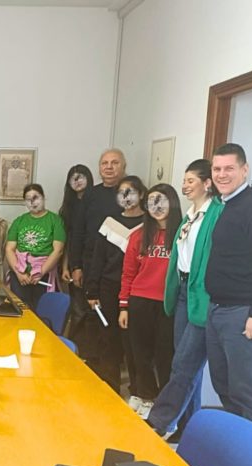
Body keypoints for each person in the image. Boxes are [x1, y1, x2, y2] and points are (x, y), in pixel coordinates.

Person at [147, 160, 223, 438]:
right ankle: (189, 427)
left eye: (191, 181)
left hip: (202, 294)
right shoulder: (190, 216)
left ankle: (160, 421)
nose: (185, 186)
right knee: (187, 363)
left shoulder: (217, 213)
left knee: (184, 363)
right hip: (182, 290)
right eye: (184, 180)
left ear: (207, 184)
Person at [205, 143, 252, 427]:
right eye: (217, 169)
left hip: (243, 314)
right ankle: (236, 447)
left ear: (244, 170)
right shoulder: (228, 205)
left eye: (229, 168)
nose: (222, 174)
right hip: (218, 310)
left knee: (250, 394)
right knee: (225, 386)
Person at [119, 183, 181, 418]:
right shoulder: (139, 235)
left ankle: (162, 403)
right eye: (151, 201)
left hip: (167, 303)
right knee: (140, 354)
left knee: (165, 355)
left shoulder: (182, 234)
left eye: (161, 200)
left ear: (172, 202)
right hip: (139, 301)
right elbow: (128, 273)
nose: (156, 206)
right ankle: (145, 396)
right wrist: (123, 305)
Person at [84, 175, 145, 394]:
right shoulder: (110, 223)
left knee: (134, 342)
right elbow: (97, 259)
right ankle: (110, 388)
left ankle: (138, 391)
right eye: (121, 193)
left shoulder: (149, 225)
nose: (126, 197)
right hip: (109, 287)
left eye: (131, 192)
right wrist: (92, 290)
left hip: (138, 290)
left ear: (141, 194)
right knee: (108, 338)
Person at [68, 150, 126, 370]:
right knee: (89, 315)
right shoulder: (90, 195)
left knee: (114, 318)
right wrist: (76, 266)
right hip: (90, 264)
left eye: (114, 163)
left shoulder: (129, 192)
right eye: (104, 163)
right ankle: (90, 363)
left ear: (123, 166)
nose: (109, 167)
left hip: (119, 267)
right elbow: (78, 231)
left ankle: (112, 366)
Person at [5, 184, 66, 310]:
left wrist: (40, 272)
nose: (32, 202)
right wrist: (19, 273)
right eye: (28, 199)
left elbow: (58, 250)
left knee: (41, 311)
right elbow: (9, 249)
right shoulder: (19, 221)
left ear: (43, 197)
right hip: (20, 274)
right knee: (20, 310)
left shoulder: (55, 220)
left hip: (43, 274)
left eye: (35, 197)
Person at [58, 165, 93, 342]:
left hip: (93, 261)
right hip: (73, 262)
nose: (77, 181)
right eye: (74, 178)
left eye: (81, 177)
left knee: (92, 309)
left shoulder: (95, 203)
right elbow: (67, 241)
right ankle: (75, 346)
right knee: (77, 308)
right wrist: (66, 267)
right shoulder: (67, 208)